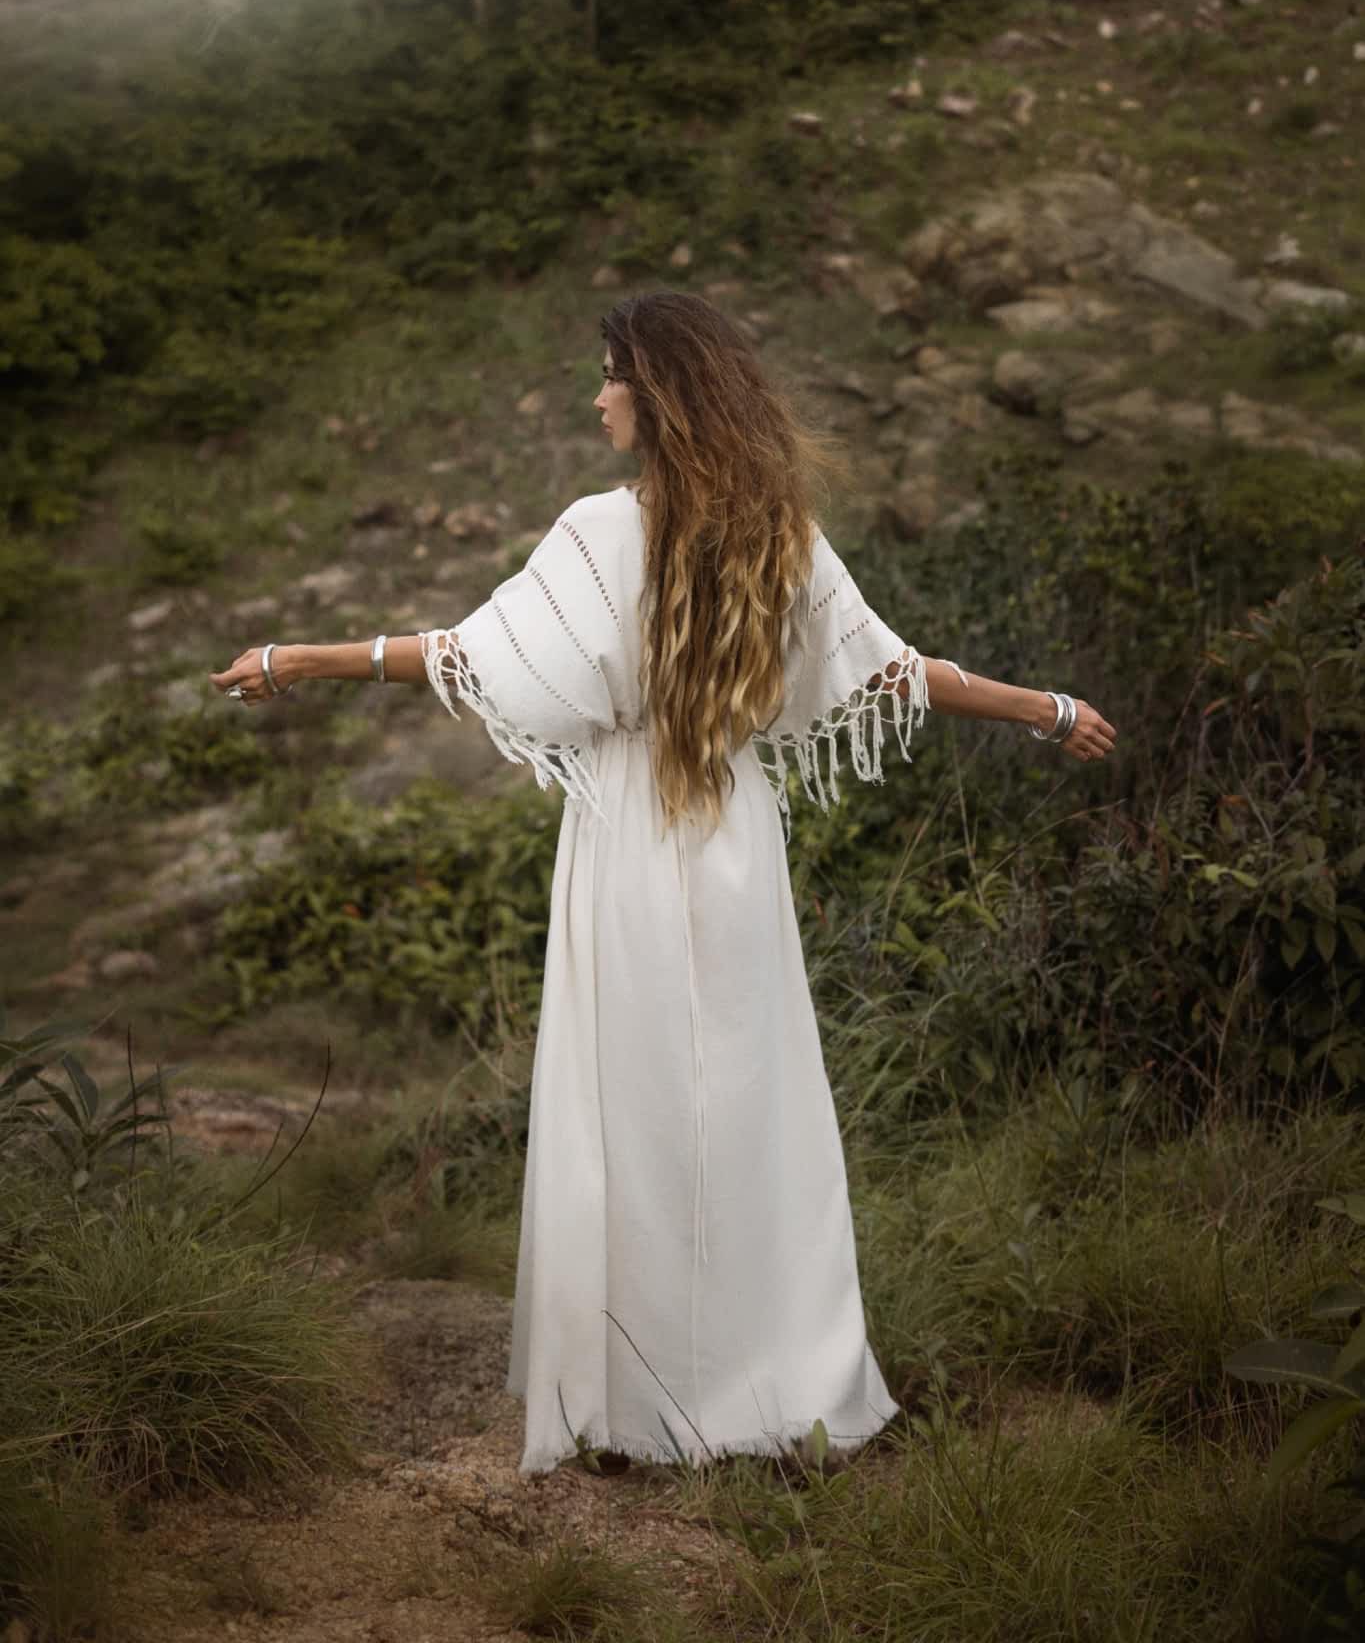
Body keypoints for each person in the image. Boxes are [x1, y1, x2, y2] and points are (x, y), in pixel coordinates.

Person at [210, 288, 1116, 1480]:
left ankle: (632, 1402)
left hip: (629, 832)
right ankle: (773, 1380)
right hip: (734, 836)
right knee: (749, 1106)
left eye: (608, 377)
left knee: (628, 1110)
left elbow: (466, 653)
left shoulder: (599, 531)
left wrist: (297, 658)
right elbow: (898, 672)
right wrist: (1045, 709)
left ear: (656, 394)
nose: (595, 397)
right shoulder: (776, 532)